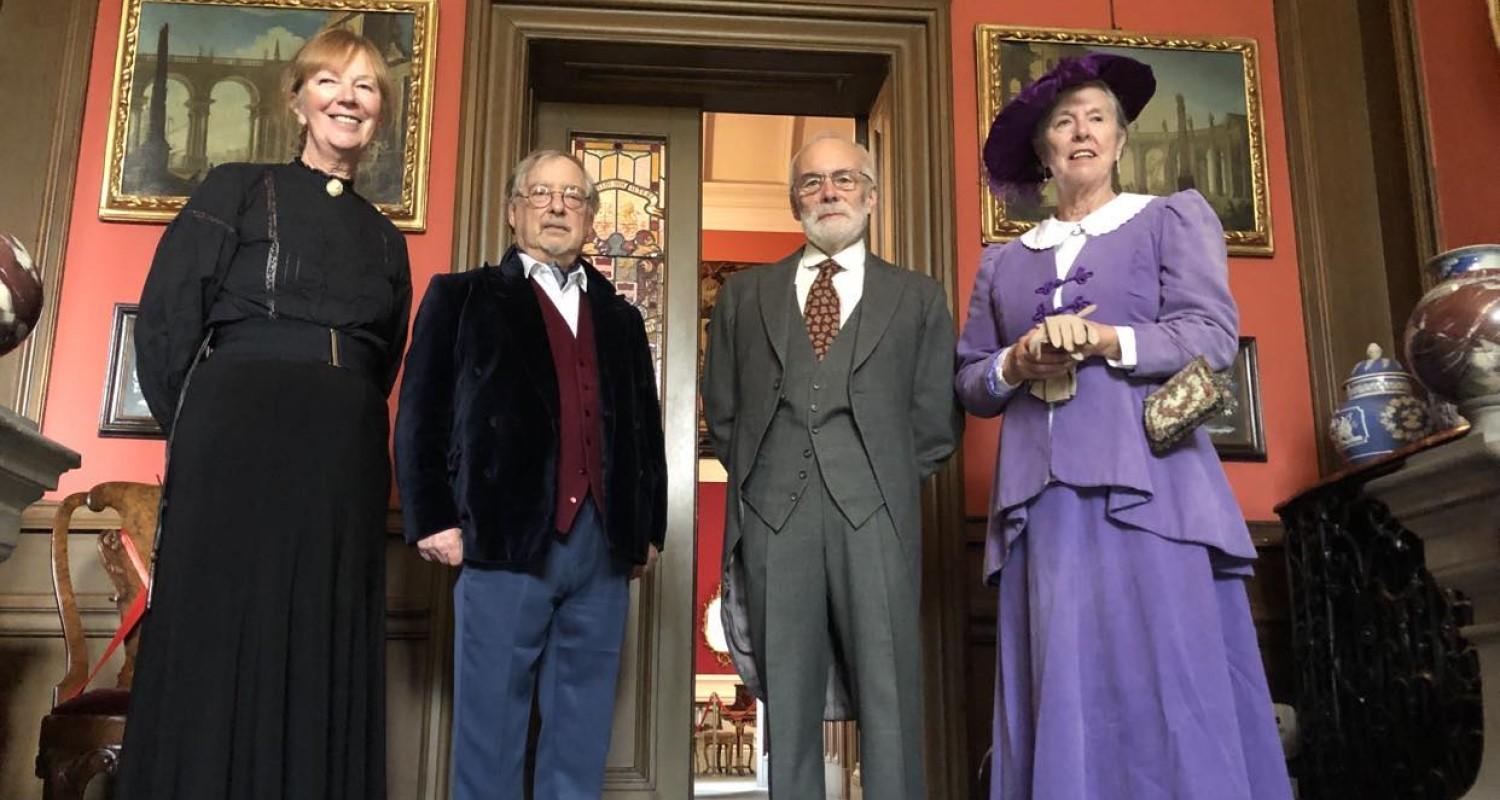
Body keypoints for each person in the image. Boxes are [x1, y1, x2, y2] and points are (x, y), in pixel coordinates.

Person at [955, 53, 1293, 799]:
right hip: (1043, 506)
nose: (1081, 133)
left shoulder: (1170, 220)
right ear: (1043, 150)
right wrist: (1015, 363)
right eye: (1063, 122)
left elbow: (1208, 337)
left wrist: (1110, 341)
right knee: (1063, 681)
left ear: (1119, 138)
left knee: (1168, 676)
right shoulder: (1002, 263)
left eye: (1097, 118)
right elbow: (970, 381)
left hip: (1153, 491)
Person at [119, 27, 411, 799]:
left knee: (321, 635)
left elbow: (384, 358)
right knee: (221, 634)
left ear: (380, 113)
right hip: (235, 440)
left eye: (367, 87)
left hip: (342, 457)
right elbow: (167, 318)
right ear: (297, 100)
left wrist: (336, 412)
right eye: (330, 83)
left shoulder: (387, 240)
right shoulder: (236, 187)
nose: (348, 99)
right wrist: (211, 423)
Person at [393, 149, 666, 799]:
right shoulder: (461, 297)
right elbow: (419, 414)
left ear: (591, 218)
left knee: (580, 733)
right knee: (489, 733)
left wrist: (645, 527)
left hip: (601, 549)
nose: (556, 206)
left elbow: (644, 434)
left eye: (573, 197)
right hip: (498, 543)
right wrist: (432, 515)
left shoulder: (623, 319)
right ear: (514, 209)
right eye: (541, 193)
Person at [702, 133, 960, 799]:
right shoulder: (744, 295)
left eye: (845, 179)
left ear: (871, 197)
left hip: (876, 516)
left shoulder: (919, 297)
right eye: (813, 182)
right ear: (795, 203)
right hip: (773, 518)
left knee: (888, 691)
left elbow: (935, 424)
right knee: (785, 700)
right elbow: (724, 412)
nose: (829, 192)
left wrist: (880, 485)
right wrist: (763, 491)